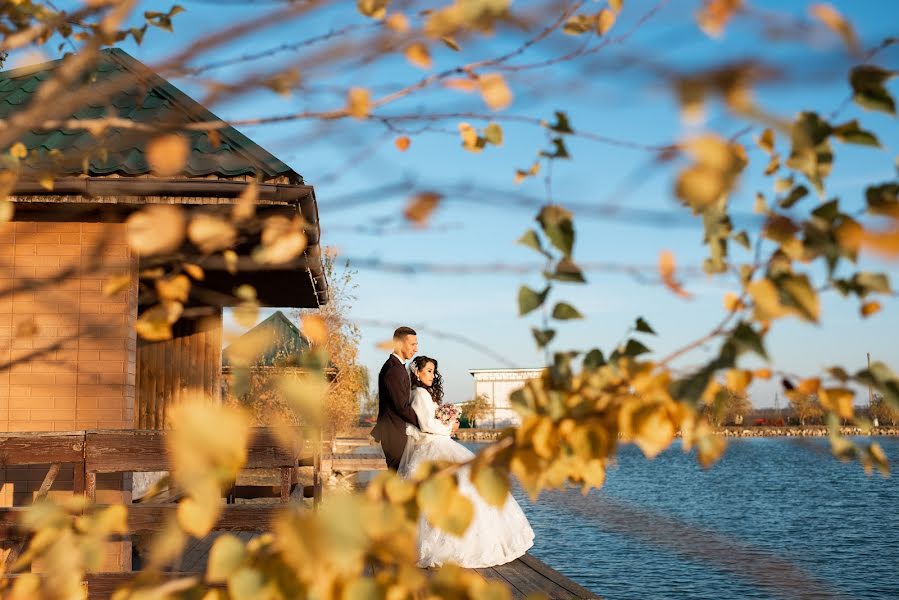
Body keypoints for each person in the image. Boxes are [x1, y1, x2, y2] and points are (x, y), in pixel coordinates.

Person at [398, 355, 535, 568]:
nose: (432, 375)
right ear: (417, 373)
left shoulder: (425, 394)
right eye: (428, 371)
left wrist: (447, 421)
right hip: (434, 446)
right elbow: (425, 425)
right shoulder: (419, 394)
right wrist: (448, 427)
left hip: (440, 443)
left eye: (433, 371)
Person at [371, 326, 420, 471]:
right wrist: (426, 424)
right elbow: (402, 407)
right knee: (398, 480)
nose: (416, 349)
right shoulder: (394, 370)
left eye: (416, 344)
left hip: (396, 433)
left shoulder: (397, 367)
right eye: (413, 344)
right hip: (395, 435)